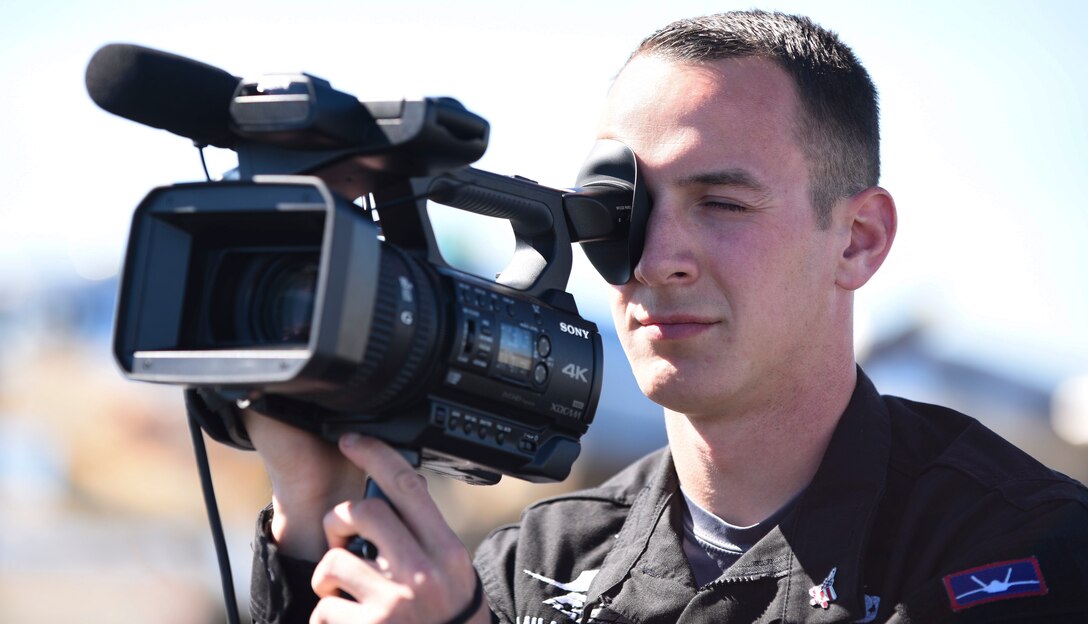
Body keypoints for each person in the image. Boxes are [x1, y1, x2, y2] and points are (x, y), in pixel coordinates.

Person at [245, 10, 1088, 623]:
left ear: (858, 240)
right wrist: (313, 523)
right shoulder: (531, 569)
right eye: (621, 211)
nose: (656, 257)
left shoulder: (1026, 551)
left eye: (721, 202)